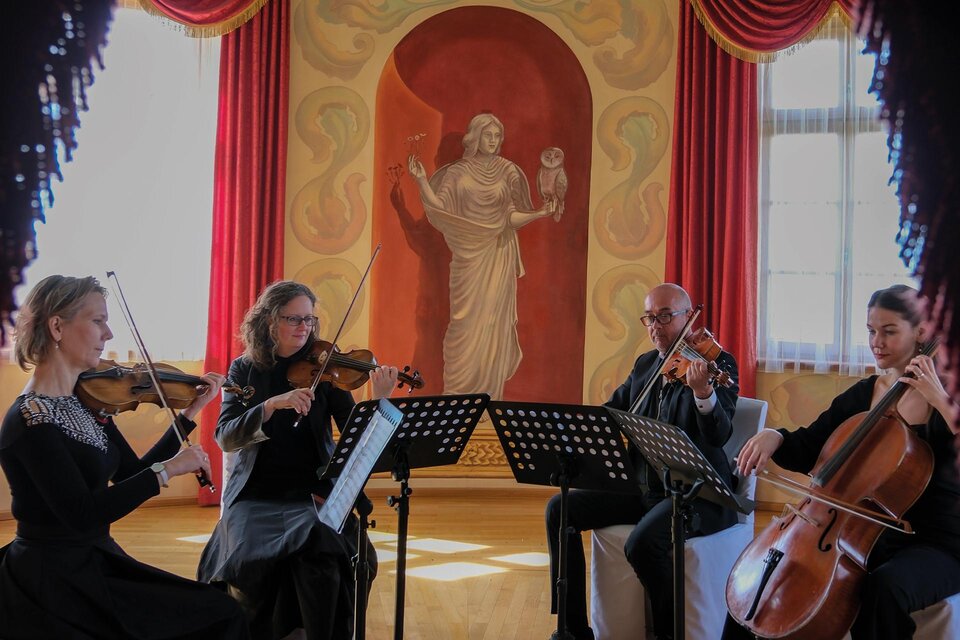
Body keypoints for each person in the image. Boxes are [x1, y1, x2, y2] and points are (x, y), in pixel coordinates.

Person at [0, 274, 248, 639]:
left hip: (95, 559)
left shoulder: (84, 403)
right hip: (53, 579)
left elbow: (131, 471)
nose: (109, 334)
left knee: (220, 609)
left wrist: (190, 413)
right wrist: (168, 471)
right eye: (97, 320)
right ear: (57, 326)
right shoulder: (30, 420)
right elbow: (82, 514)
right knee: (216, 615)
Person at [723, 284, 960, 640]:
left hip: (937, 541)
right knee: (767, 576)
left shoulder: (947, 397)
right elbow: (808, 445)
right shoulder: (866, 394)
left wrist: (941, 401)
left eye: (889, 331)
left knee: (886, 587)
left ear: (922, 332)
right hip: (867, 534)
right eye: (870, 331)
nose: (876, 341)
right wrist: (775, 437)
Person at [198, 280, 398, 640]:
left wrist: (379, 399)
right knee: (248, 565)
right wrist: (270, 405)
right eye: (294, 319)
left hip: (315, 492)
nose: (304, 328)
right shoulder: (245, 369)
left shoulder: (328, 369)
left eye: (309, 320)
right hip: (257, 493)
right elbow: (225, 435)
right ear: (269, 321)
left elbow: (353, 436)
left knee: (331, 557)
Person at [545, 283, 739, 640]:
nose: (655, 326)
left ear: (687, 316)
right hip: (644, 487)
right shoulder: (647, 364)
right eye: (650, 317)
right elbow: (612, 413)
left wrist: (703, 394)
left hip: (695, 493)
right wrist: (574, 434)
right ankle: (573, 630)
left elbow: (718, 436)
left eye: (665, 316)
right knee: (560, 509)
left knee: (642, 543)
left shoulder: (716, 363)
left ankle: (667, 635)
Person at [407, 112, 555, 400]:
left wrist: (538, 213)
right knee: (462, 324)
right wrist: (422, 181)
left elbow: (510, 216)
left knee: (491, 326)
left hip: (497, 255)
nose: (493, 140)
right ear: (474, 137)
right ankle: (455, 400)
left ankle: (488, 401)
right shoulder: (456, 172)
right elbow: (440, 209)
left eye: (497, 135)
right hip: (466, 258)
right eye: (488, 134)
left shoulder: (508, 171)